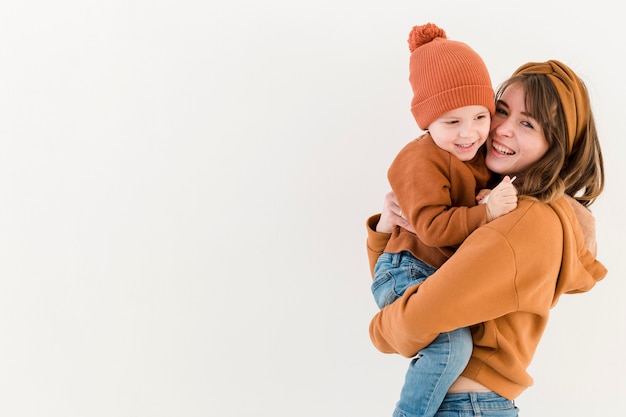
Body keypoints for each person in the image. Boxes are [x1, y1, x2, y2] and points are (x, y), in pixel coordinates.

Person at [366, 59, 607, 416]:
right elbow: (418, 281)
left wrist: (379, 331)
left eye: (526, 123)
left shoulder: (524, 223)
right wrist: (387, 234)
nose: (501, 130)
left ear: (556, 146)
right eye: (501, 111)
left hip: (469, 406)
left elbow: (421, 313)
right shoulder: (491, 205)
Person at [370, 23, 518, 417]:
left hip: (431, 271)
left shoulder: (478, 154)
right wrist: (486, 211)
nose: (469, 133)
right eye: (451, 122)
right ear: (427, 122)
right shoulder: (419, 160)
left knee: (453, 341)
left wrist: (485, 198)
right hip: (405, 270)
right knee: (450, 345)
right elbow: (433, 229)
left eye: (480, 117)